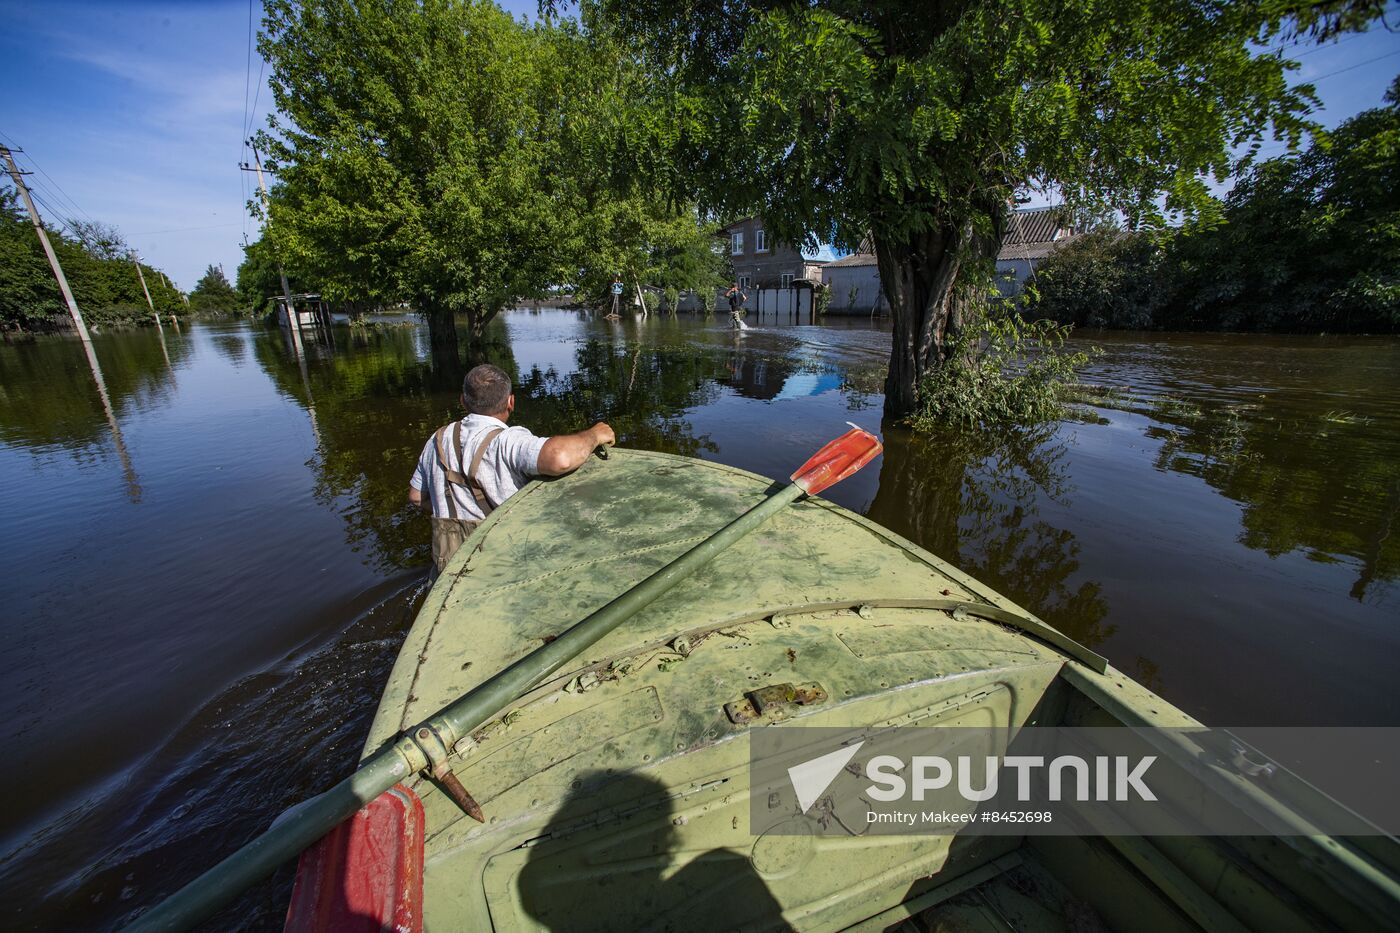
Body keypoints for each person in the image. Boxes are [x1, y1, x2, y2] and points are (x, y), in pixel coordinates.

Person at [408, 363, 615, 574]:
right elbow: (559, 457)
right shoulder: (507, 440)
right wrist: (595, 434)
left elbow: (417, 497)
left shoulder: (437, 439)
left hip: (448, 562)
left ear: (463, 401)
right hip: (501, 562)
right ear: (511, 402)